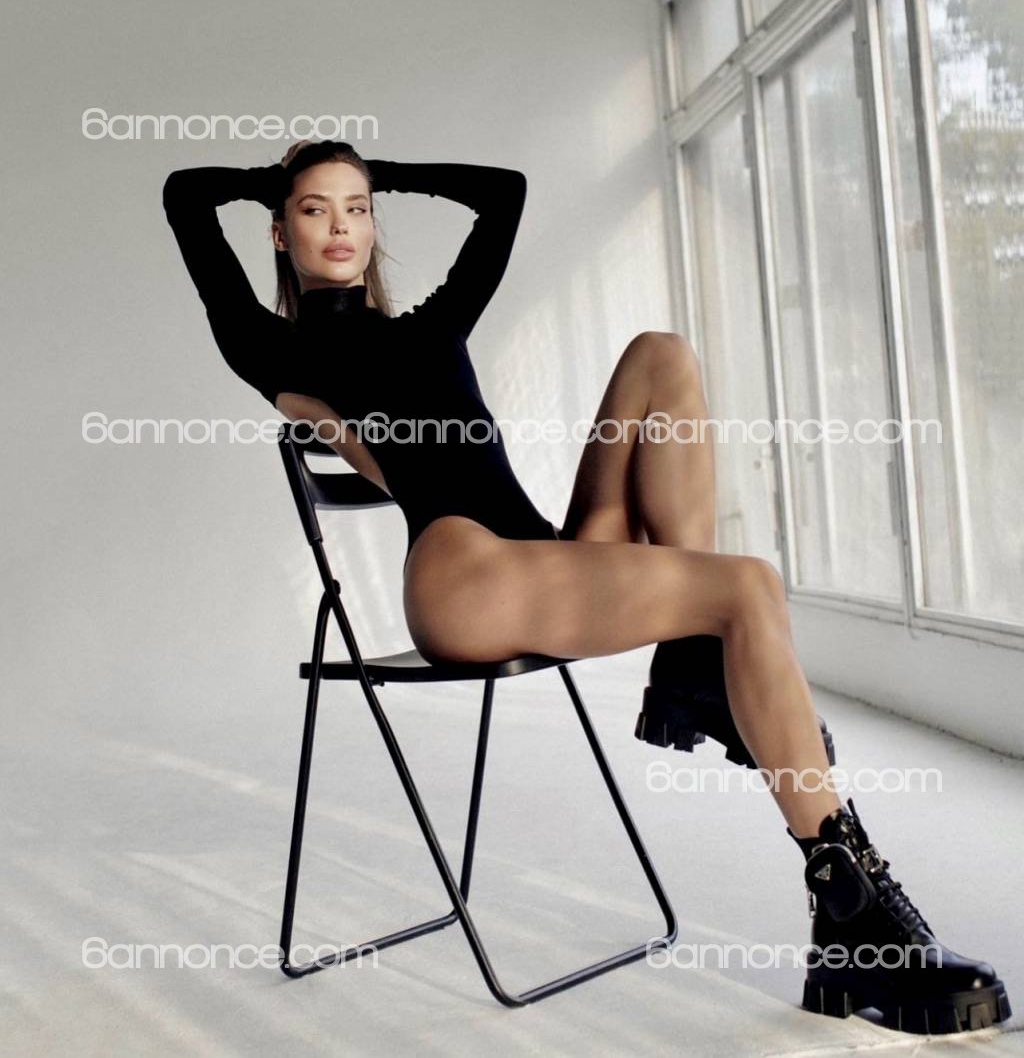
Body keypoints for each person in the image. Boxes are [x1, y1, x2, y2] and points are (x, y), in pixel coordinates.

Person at [163, 138, 1010, 1035]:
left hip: (542, 557)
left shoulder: (433, 323)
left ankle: (694, 672)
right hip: (463, 576)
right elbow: (184, 194)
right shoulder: (270, 346)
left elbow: (504, 190)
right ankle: (855, 910)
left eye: (357, 208)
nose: (340, 226)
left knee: (661, 356)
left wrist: (381, 174)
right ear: (279, 231)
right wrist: (285, 179)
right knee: (746, 588)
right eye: (314, 210)